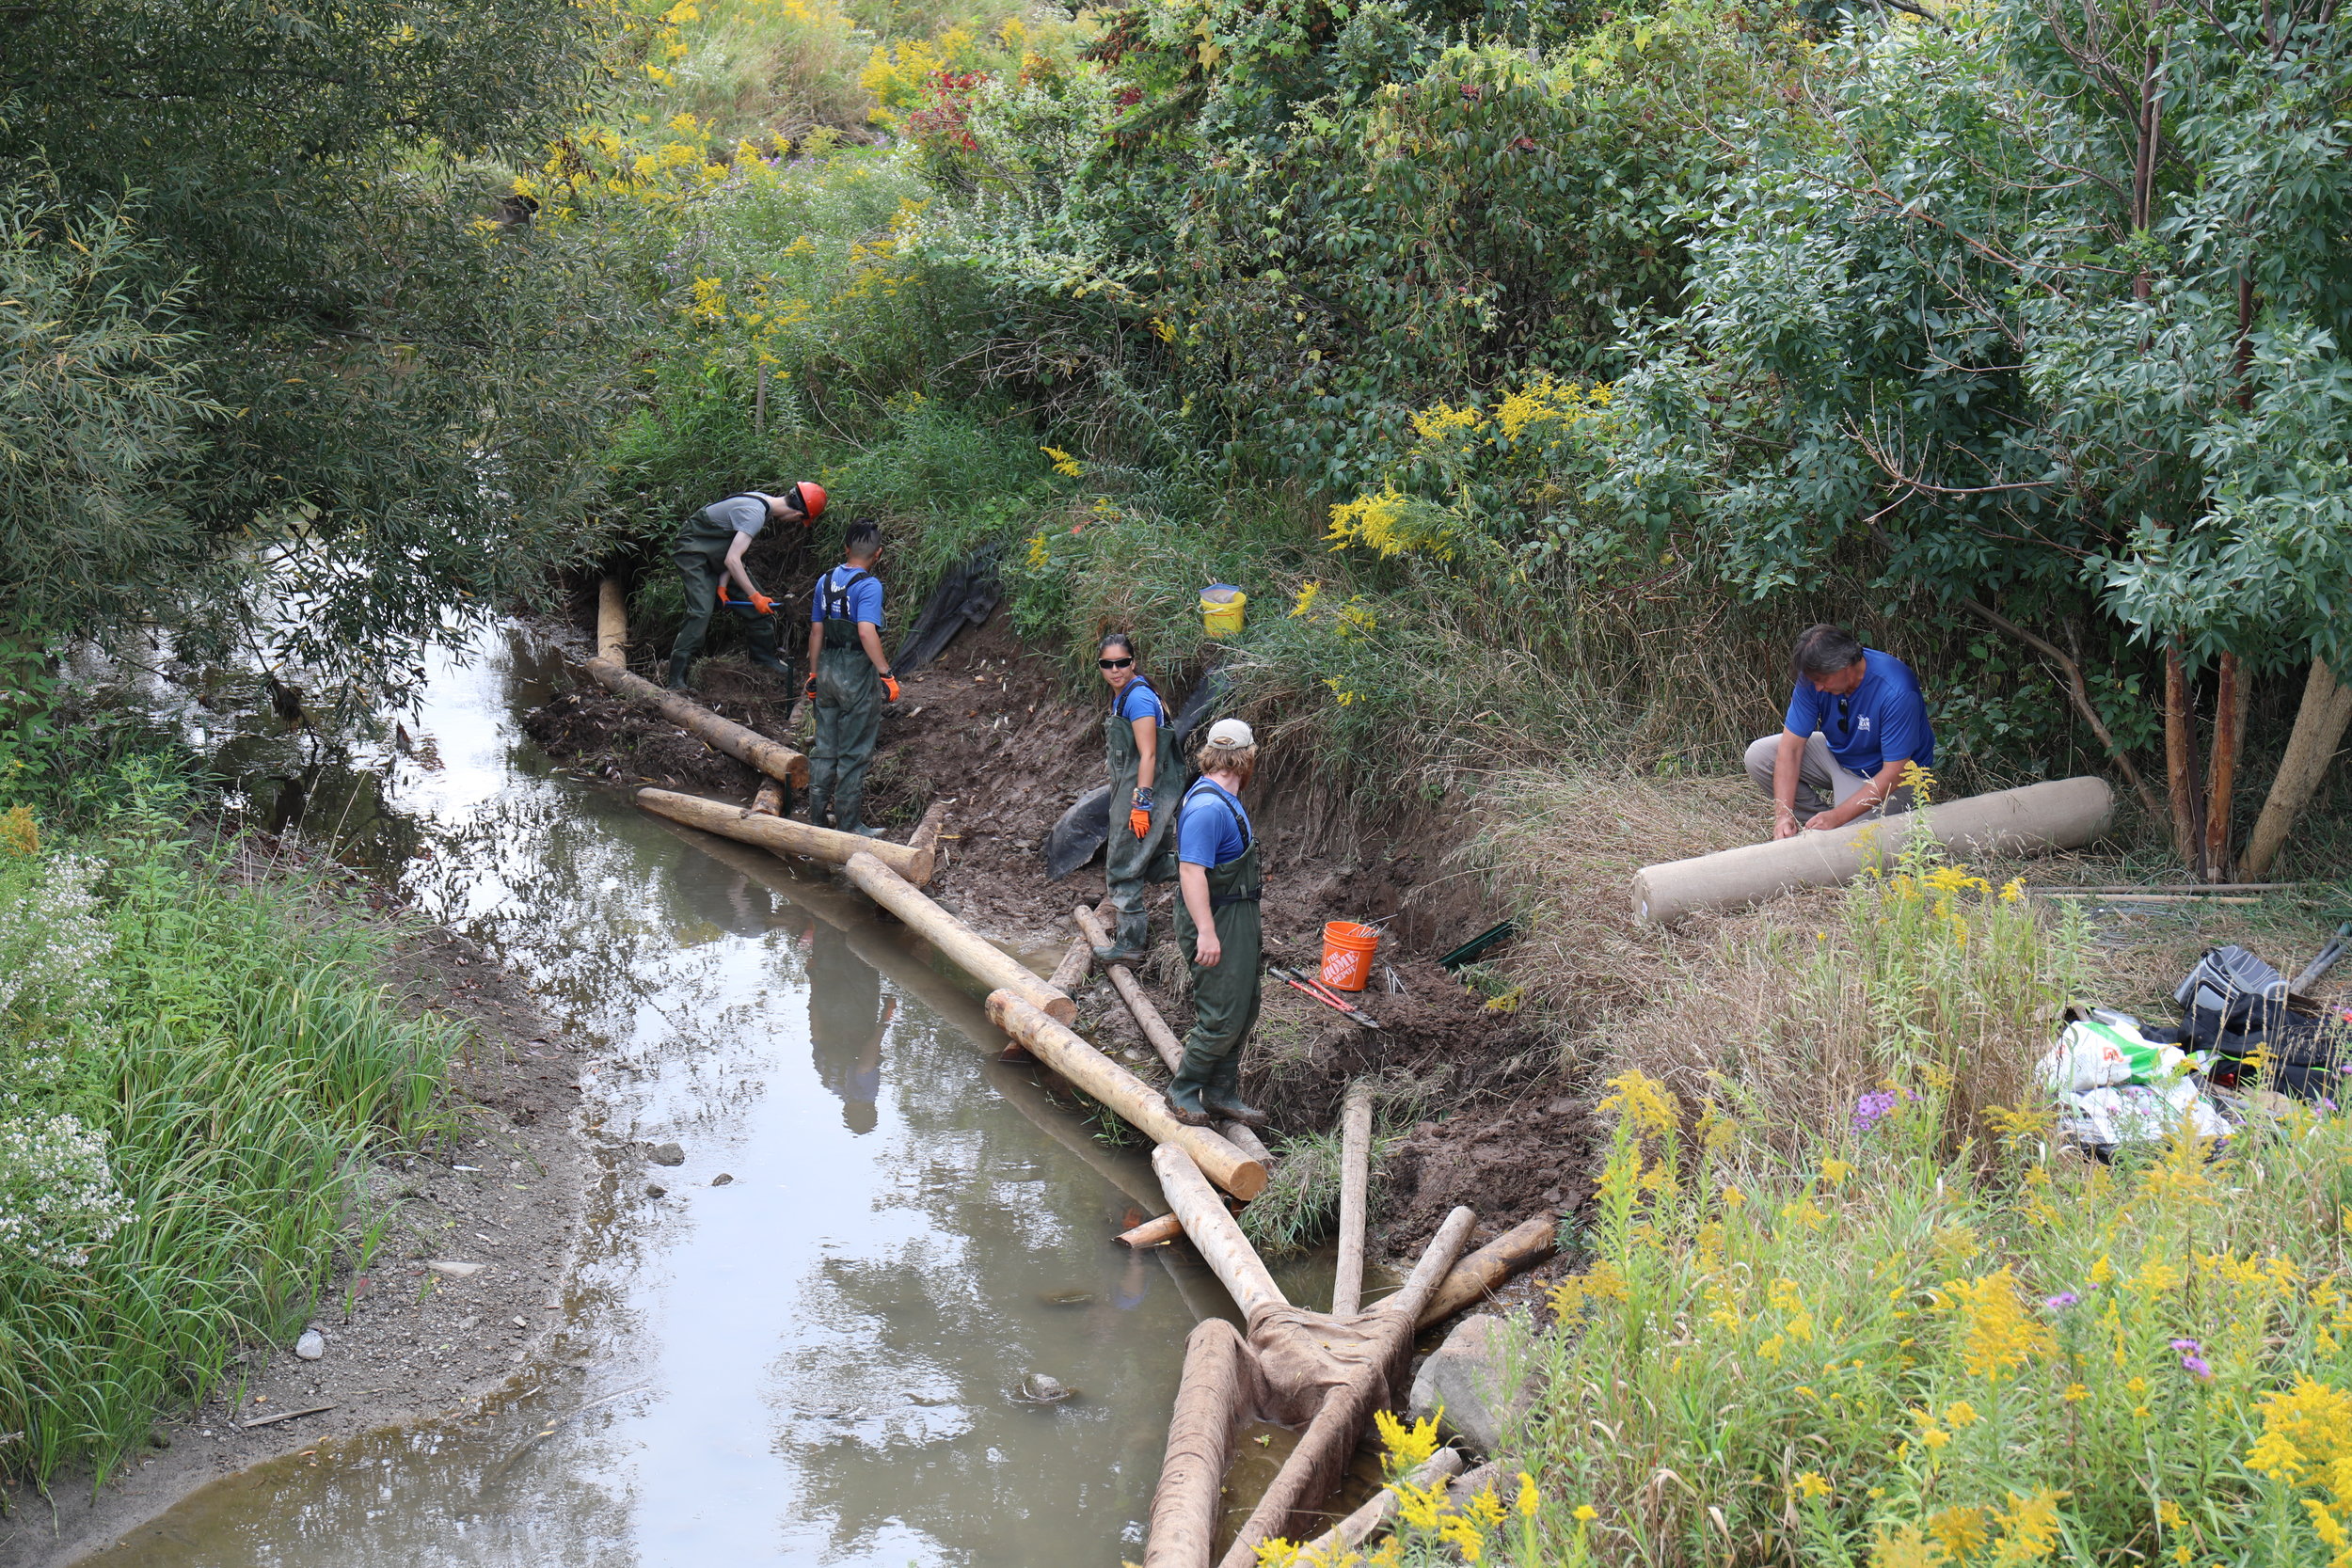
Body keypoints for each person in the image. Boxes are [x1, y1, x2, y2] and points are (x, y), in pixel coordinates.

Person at [1167, 719, 1268, 1128]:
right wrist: (1206, 932)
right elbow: (1191, 873)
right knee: (1222, 1013)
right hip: (1216, 918)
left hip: (1237, 914)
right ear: (1247, 758)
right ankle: (1184, 1089)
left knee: (1244, 1008)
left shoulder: (1226, 797)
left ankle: (1222, 1092)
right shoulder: (1208, 808)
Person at [1745, 624, 1935, 839]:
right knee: (1759, 756)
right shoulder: (1813, 679)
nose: (1817, 688)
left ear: (1845, 666)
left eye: (1822, 680)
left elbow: (1895, 772)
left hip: (1891, 778)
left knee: (1851, 841)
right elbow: (1791, 749)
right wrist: (1783, 814)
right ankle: (1819, 822)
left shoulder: (1896, 689)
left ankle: (1835, 826)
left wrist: (1839, 816)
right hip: (1840, 758)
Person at [666, 483, 827, 690]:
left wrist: (722, 587)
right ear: (798, 514)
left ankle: (763, 659)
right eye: (799, 520)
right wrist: (754, 596)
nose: (795, 523)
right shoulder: (755, 514)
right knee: (700, 612)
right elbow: (732, 560)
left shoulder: (764, 505)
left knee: (760, 612)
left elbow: (731, 553)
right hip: (693, 552)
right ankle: (675, 680)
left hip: (718, 555)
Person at [803, 521, 898, 837]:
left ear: (845, 548)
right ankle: (849, 826)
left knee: (824, 747)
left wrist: (814, 673)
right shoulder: (869, 586)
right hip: (856, 672)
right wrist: (886, 673)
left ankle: (816, 821)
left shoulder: (824, 580)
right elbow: (865, 630)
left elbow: (816, 631)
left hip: (827, 669)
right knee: (854, 752)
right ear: (878, 553)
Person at [1091, 631, 1179, 964]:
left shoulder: (1138, 699)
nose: (1115, 669)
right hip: (1134, 790)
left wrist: (1141, 806)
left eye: (1122, 662)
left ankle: (1130, 946)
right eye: (1107, 664)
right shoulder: (1124, 695)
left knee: (1123, 868)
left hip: (1141, 795)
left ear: (1133, 662)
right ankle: (1209, 870)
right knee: (1154, 863)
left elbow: (1150, 755)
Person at [805, 921, 894, 1135]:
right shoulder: (828, 1080)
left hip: (858, 1005)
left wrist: (884, 1021)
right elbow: (816, 1032)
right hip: (828, 999)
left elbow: (864, 1066)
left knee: (861, 944)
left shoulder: (866, 1093)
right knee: (828, 934)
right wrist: (814, 985)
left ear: (872, 1111)